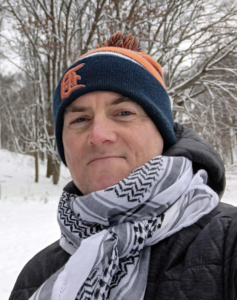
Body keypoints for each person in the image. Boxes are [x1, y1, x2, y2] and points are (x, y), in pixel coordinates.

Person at [9, 32, 237, 300]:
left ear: (162, 133)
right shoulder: (35, 277)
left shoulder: (228, 242)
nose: (98, 135)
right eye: (80, 119)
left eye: (124, 113)